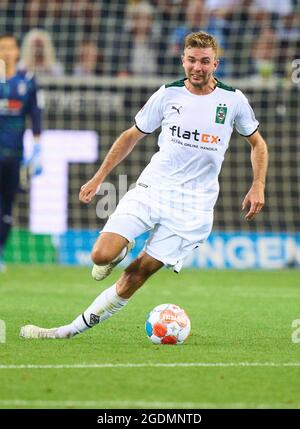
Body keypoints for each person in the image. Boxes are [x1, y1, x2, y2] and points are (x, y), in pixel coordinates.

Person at [20, 31, 268, 339]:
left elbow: (258, 143)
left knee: (136, 275)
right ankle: (121, 248)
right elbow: (131, 136)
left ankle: (66, 331)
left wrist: (258, 184)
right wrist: (98, 177)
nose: (197, 68)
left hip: (193, 208)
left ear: (215, 63)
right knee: (100, 256)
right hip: (154, 189)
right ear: (183, 60)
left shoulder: (233, 100)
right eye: (191, 60)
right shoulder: (167, 94)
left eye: (205, 61)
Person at [0, 34, 43, 272]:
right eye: (2, 48)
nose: (6, 52)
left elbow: (35, 116)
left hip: (13, 155)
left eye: (10, 48)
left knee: (7, 206)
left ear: (17, 52)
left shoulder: (27, 80)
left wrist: (37, 150)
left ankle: (0, 253)